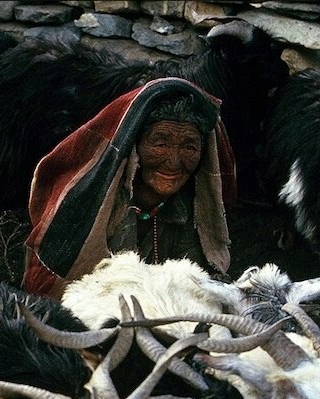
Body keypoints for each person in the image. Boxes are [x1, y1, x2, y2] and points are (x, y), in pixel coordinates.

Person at [22, 77, 237, 299]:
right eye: (161, 144)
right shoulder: (93, 210)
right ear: (134, 146)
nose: (174, 162)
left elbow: (193, 286)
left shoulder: (191, 212)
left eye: (189, 147)